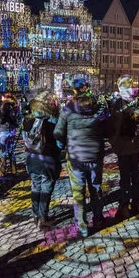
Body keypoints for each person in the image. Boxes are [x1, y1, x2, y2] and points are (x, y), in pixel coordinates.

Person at [54, 79, 108, 236]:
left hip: (76, 156)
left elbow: (58, 132)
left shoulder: (68, 109)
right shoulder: (98, 108)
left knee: (78, 191)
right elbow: (107, 129)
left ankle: (82, 225)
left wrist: (65, 143)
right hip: (95, 155)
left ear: (74, 91)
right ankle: (98, 218)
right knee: (96, 187)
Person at [109, 75, 139, 220]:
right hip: (135, 143)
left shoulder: (119, 103)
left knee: (125, 176)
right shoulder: (138, 100)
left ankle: (124, 206)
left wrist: (113, 141)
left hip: (123, 144)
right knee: (135, 174)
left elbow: (114, 125)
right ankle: (137, 204)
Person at [23, 91, 62, 230]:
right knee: (46, 188)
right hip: (48, 160)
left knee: (35, 186)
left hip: (32, 158)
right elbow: (59, 144)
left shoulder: (27, 120)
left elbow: (26, 140)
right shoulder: (53, 123)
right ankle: (43, 217)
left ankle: (35, 215)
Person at [0, 93, 20, 176]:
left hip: (3, 131)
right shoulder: (15, 107)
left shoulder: (2, 107)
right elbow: (18, 119)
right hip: (12, 131)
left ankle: (2, 171)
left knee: (3, 151)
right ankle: (14, 170)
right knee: (11, 151)